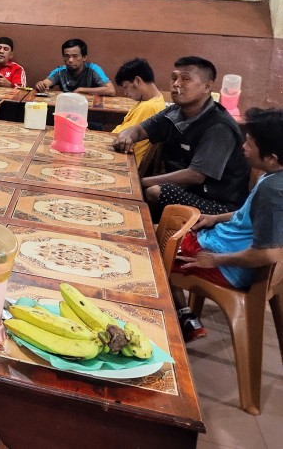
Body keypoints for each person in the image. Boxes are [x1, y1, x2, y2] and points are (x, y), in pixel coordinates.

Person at [170, 108, 283, 341]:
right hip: (222, 244)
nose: (243, 146)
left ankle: (184, 317)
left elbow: (269, 254)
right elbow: (247, 214)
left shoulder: (272, 191)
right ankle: (186, 316)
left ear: (271, 157)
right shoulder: (273, 177)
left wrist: (215, 260)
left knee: (157, 250)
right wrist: (215, 218)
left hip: (226, 264)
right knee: (169, 231)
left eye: (250, 142)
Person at [113, 56, 249, 217]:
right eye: (174, 78)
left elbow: (196, 175)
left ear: (207, 87)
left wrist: (138, 181)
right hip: (187, 189)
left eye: (185, 79)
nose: (176, 84)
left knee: (153, 191)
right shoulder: (175, 112)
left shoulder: (219, 127)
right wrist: (126, 136)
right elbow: (139, 130)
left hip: (218, 204)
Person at [112, 58, 166, 164]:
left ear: (137, 81)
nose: (125, 93)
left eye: (125, 87)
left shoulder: (149, 107)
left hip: (127, 162)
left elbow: (119, 139)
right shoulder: (154, 100)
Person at [35, 39, 115, 96]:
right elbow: (46, 83)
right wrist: (41, 85)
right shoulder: (60, 71)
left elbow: (111, 90)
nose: (70, 60)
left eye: (75, 56)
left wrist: (81, 90)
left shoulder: (93, 69)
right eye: (66, 56)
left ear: (84, 57)